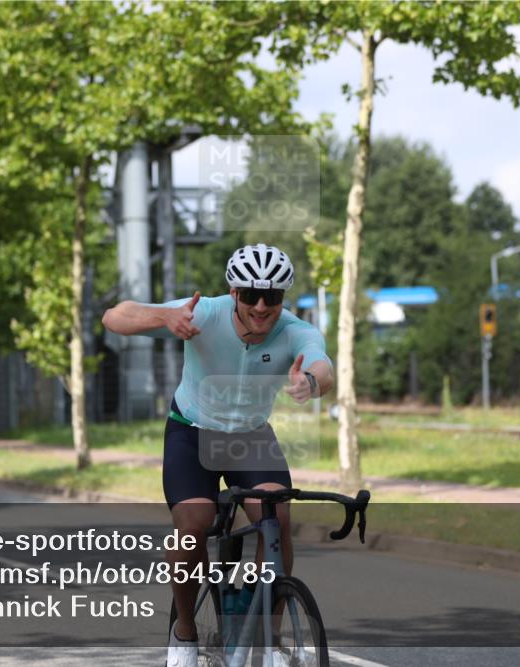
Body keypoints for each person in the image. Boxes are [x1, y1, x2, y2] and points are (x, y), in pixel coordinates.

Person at [102, 244, 334, 667]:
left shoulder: (295, 331)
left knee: (276, 519)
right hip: (192, 431)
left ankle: (269, 640)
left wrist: (311, 385)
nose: (261, 306)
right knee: (194, 525)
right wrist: (164, 316)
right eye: (250, 295)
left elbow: (322, 366)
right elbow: (115, 316)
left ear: (283, 298)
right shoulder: (202, 313)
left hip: (249, 437)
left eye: (273, 297)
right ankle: (185, 632)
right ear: (233, 292)